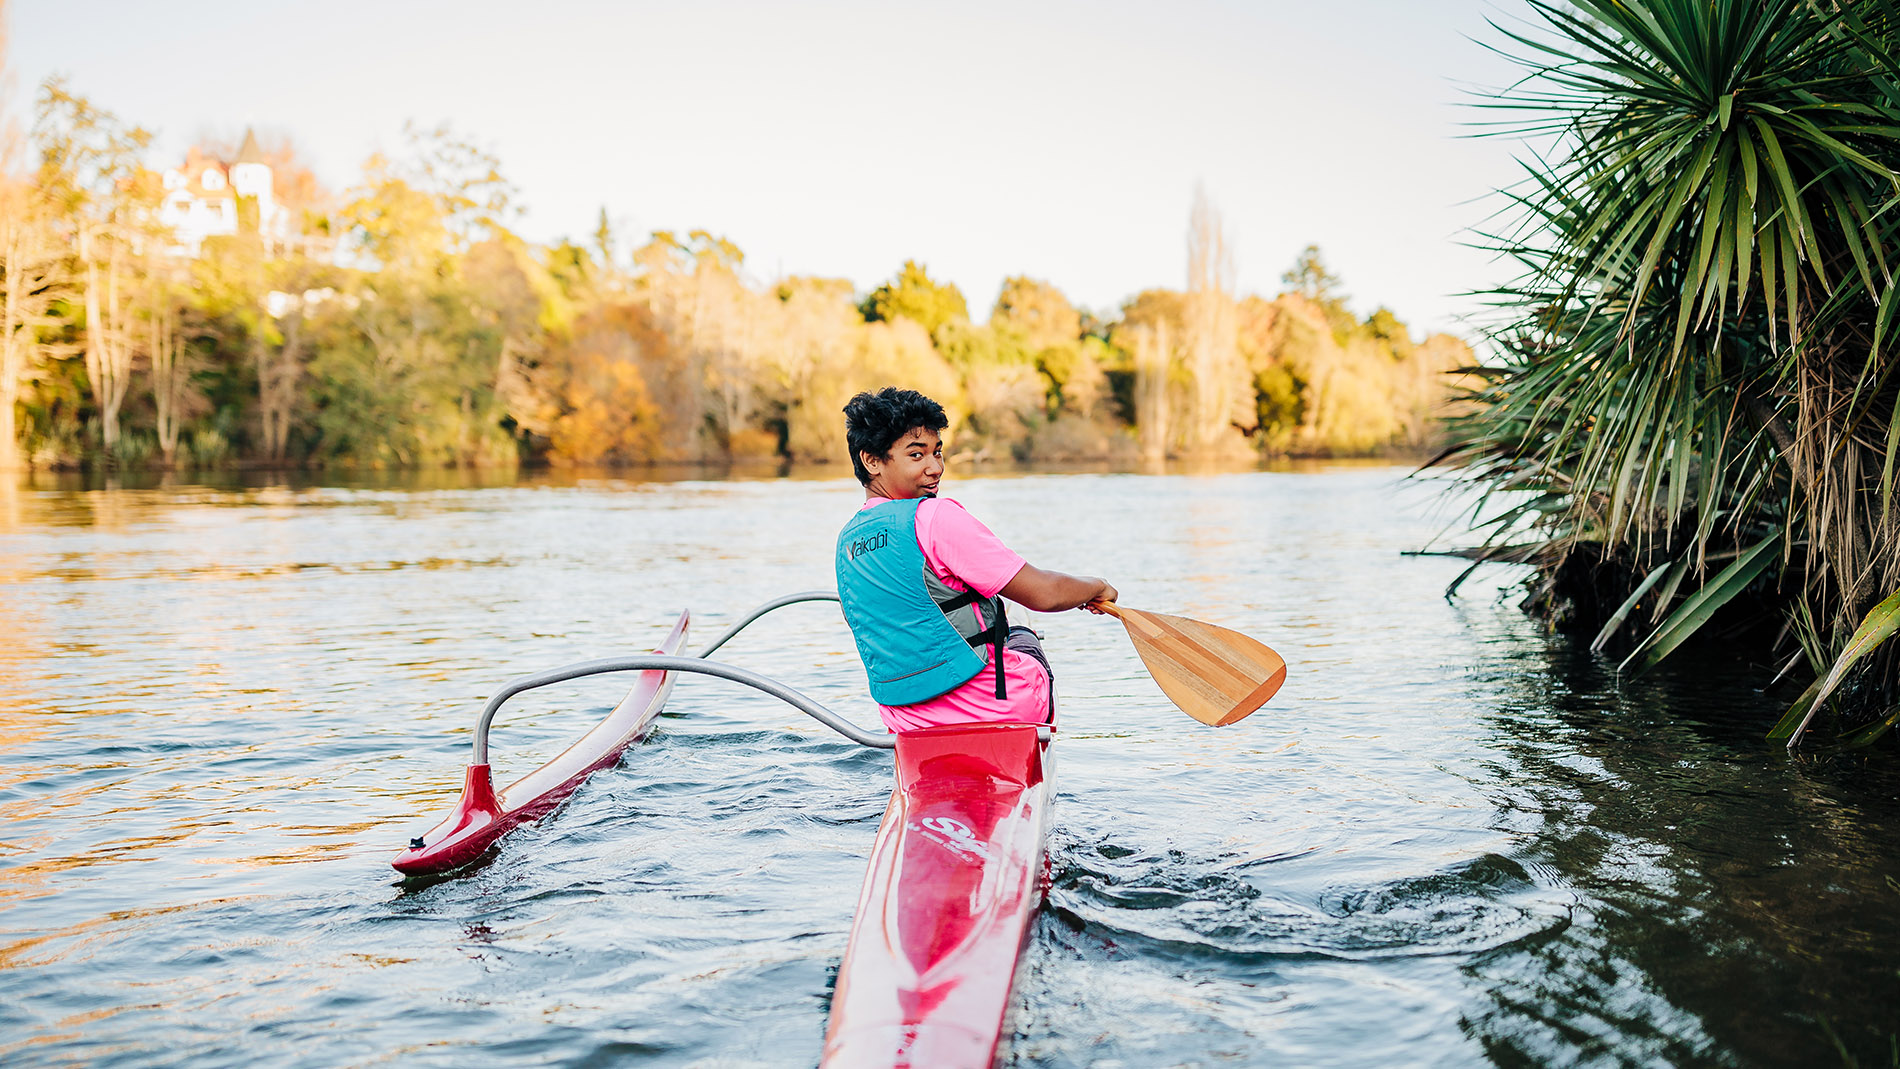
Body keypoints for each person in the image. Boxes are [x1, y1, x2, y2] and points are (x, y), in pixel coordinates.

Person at [835, 387, 1118, 733]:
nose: (934, 468)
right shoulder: (936, 516)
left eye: (937, 453)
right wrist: (1097, 586)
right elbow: (1047, 593)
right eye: (916, 455)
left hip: (909, 723)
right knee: (1019, 625)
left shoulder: (847, 542)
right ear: (872, 461)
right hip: (995, 709)